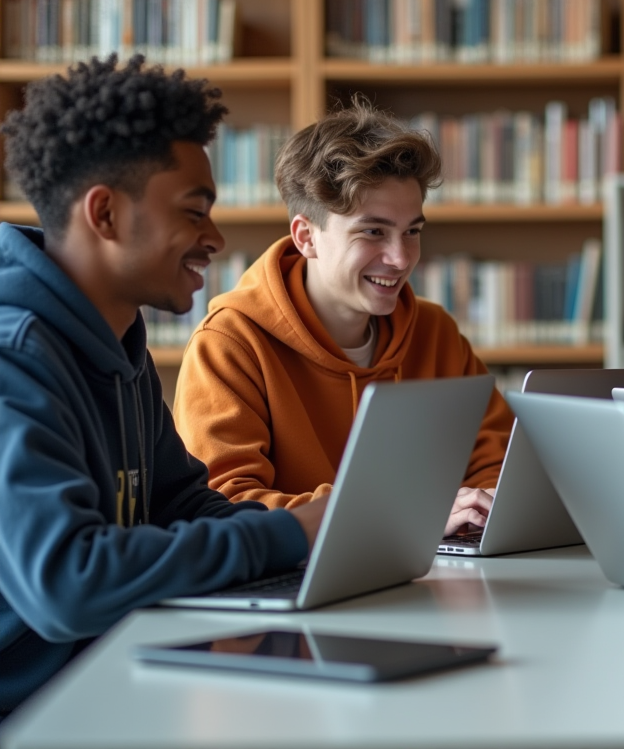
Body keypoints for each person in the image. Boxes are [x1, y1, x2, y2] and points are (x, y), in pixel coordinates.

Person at [0, 56, 327, 718]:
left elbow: (179, 502)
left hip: (113, 681)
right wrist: (289, 536)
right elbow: (70, 583)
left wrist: (320, 532)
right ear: (106, 214)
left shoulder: (115, 341)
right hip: (39, 715)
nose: (215, 238)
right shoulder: (14, 359)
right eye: (193, 212)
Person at [173, 98, 513, 536]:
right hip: (296, 580)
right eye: (373, 232)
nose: (400, 257)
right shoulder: (229, 344)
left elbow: (497, 466)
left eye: (412, 231)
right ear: (306, 237)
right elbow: (226, 503)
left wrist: (476, 509)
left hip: (432, 575)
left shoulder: (436, 333)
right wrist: (400, 514)